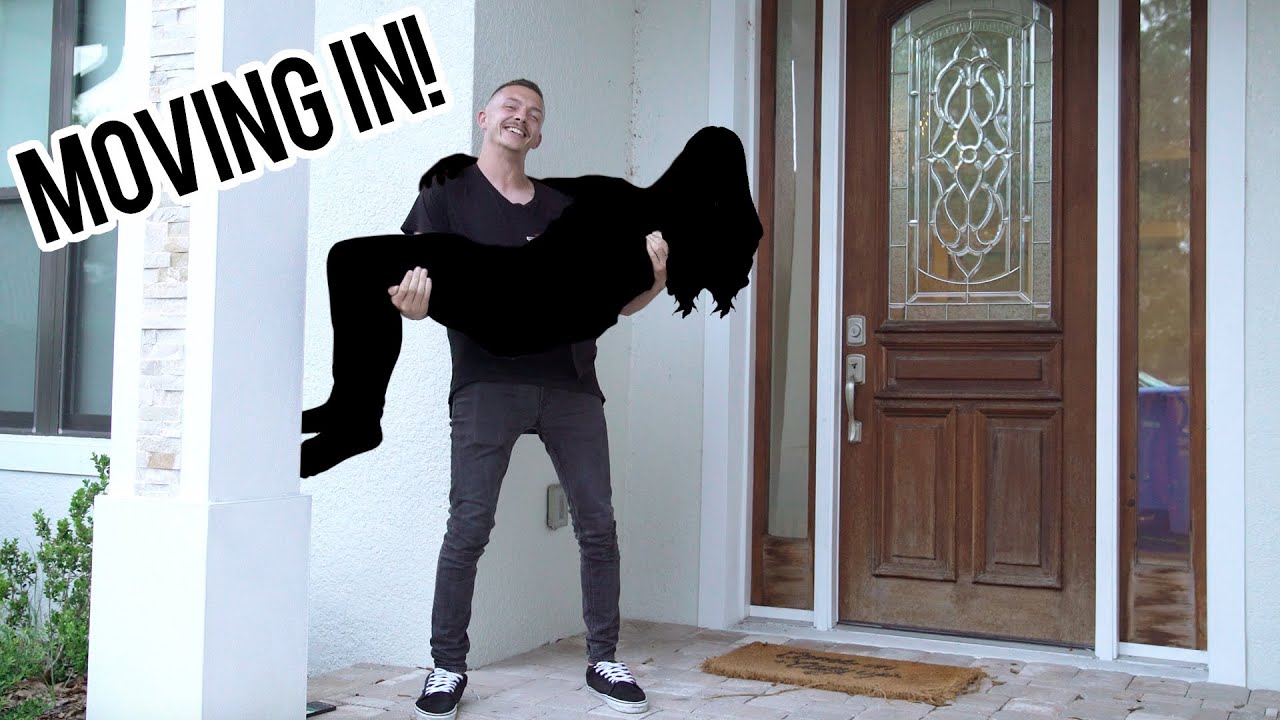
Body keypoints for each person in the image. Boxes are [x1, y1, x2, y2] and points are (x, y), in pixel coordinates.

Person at [298, 121, 762, 479]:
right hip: (508, 288)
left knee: (353, 261)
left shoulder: (640, 228)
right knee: (351, 261)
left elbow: (606, 307)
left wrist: (654, 280)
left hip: (513, 304)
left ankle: (355, 418)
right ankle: (350, 413)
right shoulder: (631, 212)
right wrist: (467, 166)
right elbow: (527, 189)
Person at [403, 79, 658, 719]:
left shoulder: (565, 210)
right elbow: (414, 279)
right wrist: (411, 306)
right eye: (511, 107)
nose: (522, 117)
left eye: (534, 114)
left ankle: (604, 659)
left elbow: (610, 301)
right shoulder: (445, 198)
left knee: (597, 523)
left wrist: (654, 281)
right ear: (485, 117)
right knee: (469, 524)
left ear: (539, 136)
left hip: (570, 382)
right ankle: (446, 667)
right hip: (487, 380)